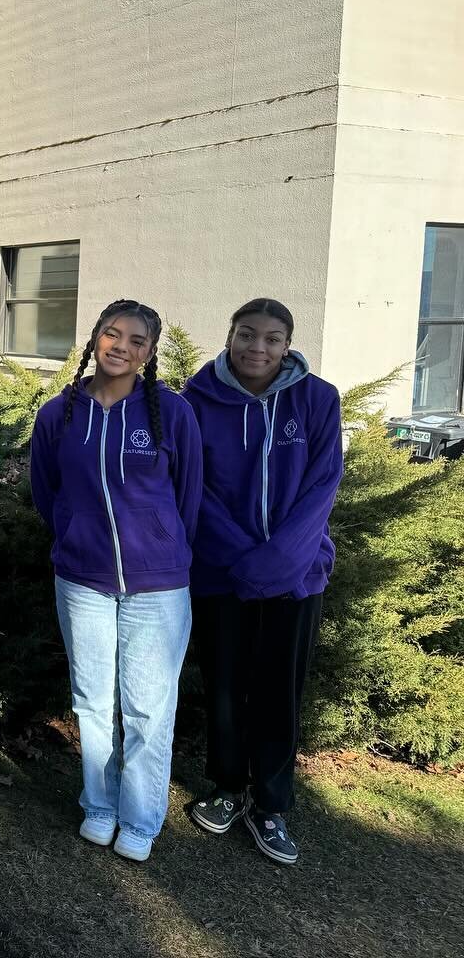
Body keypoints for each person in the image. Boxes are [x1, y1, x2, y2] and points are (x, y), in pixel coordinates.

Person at [30, 299, 202, 862]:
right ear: (96, 338)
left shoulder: (170, 414)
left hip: (158, 588)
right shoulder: (60, 413)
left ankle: (140, 817)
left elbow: (189, 497)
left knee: (150, 708)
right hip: (83, 580)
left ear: (149, 354)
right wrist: (72, 535)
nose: (121, 347)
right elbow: (45, 489)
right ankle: (99, 807)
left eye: (136, 341)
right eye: (112, 333)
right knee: (92, 702)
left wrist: (161, 546)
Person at [183, 298, 343, 865]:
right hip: (221, 574)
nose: (258, 348)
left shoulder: (318, 400)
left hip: (297, 577)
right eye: (247, 335)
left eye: (271, 339)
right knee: (225, 687)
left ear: (288, 345)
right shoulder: (196, 401)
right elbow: (193, 489)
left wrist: (279, 562)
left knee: (279, 692)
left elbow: (322, 485)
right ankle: (227, 788)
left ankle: (270, 804)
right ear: (229, 336)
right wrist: (245, 561)